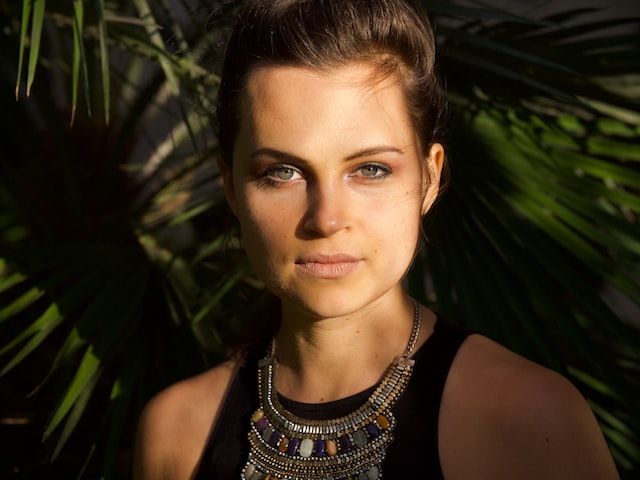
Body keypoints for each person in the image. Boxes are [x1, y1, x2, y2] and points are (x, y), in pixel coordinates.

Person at [133, 0, 620, 478]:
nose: (326, 219)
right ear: (231, 187)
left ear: (430, 180)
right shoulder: (177, 432)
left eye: (370, 169)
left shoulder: (527, 422)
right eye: (282, 172)